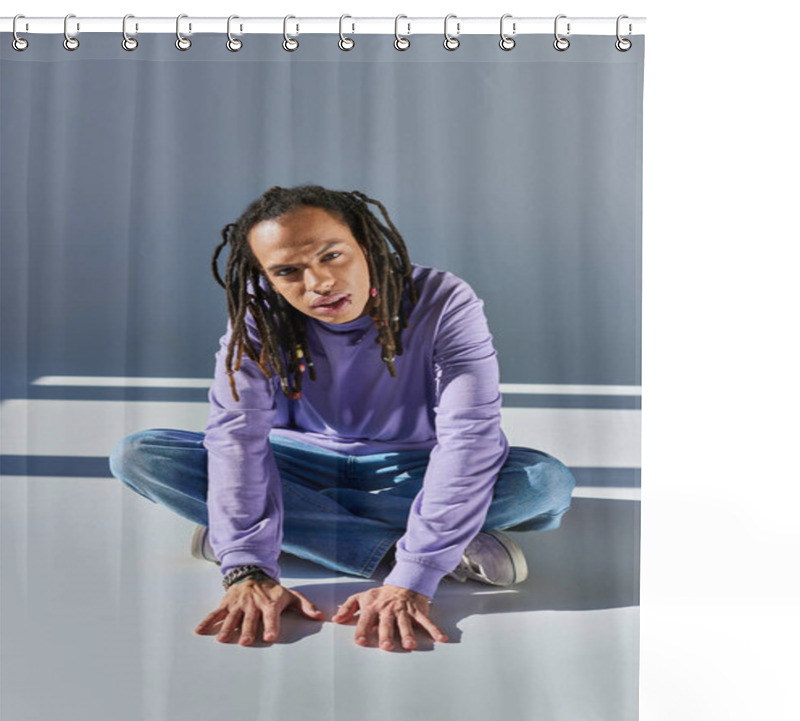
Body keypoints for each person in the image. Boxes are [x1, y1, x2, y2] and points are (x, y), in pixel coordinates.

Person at [109, 184, 576, 652]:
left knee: (543, 483)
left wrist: (413, 581)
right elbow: (237, 434)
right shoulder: (258, 311)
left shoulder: (442, 299)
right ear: (268, 278)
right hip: (294, 459)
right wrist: (248, 566)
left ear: (367, 246)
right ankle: (418, 543)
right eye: (288, 272)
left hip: (414, 467)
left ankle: (271, 526)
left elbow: (469, 438)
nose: (318, 284)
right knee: (141, 455)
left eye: (332, 256)